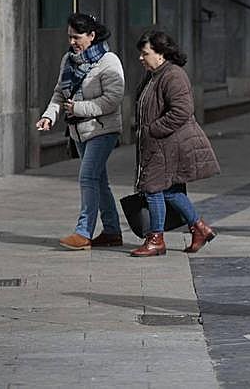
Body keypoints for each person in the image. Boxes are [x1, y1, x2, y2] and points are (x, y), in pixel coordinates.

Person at [36, 13, 125, 250]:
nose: (72, 42)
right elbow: (59, 92)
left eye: (77, 37)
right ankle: (112, 231)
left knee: (87, 177)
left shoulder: (108, 61)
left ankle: (83, 232)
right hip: (77, 130)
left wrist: (79, 108)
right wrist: (48, 116)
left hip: (102, 129)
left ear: (92, 35)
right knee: (99, 181)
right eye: (69, 37)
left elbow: (113, 99)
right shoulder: (69, 59)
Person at [131, 30, 220, 256]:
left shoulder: (173, 75)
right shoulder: (153, 75)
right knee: (168, 191)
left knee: (152, 188)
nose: (141, 58)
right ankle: (199, 228)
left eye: (145, 53)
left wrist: (153, 129)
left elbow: (182, 110)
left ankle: (156, 239)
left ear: (160, 54)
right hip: (159, 143)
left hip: (168, 144)